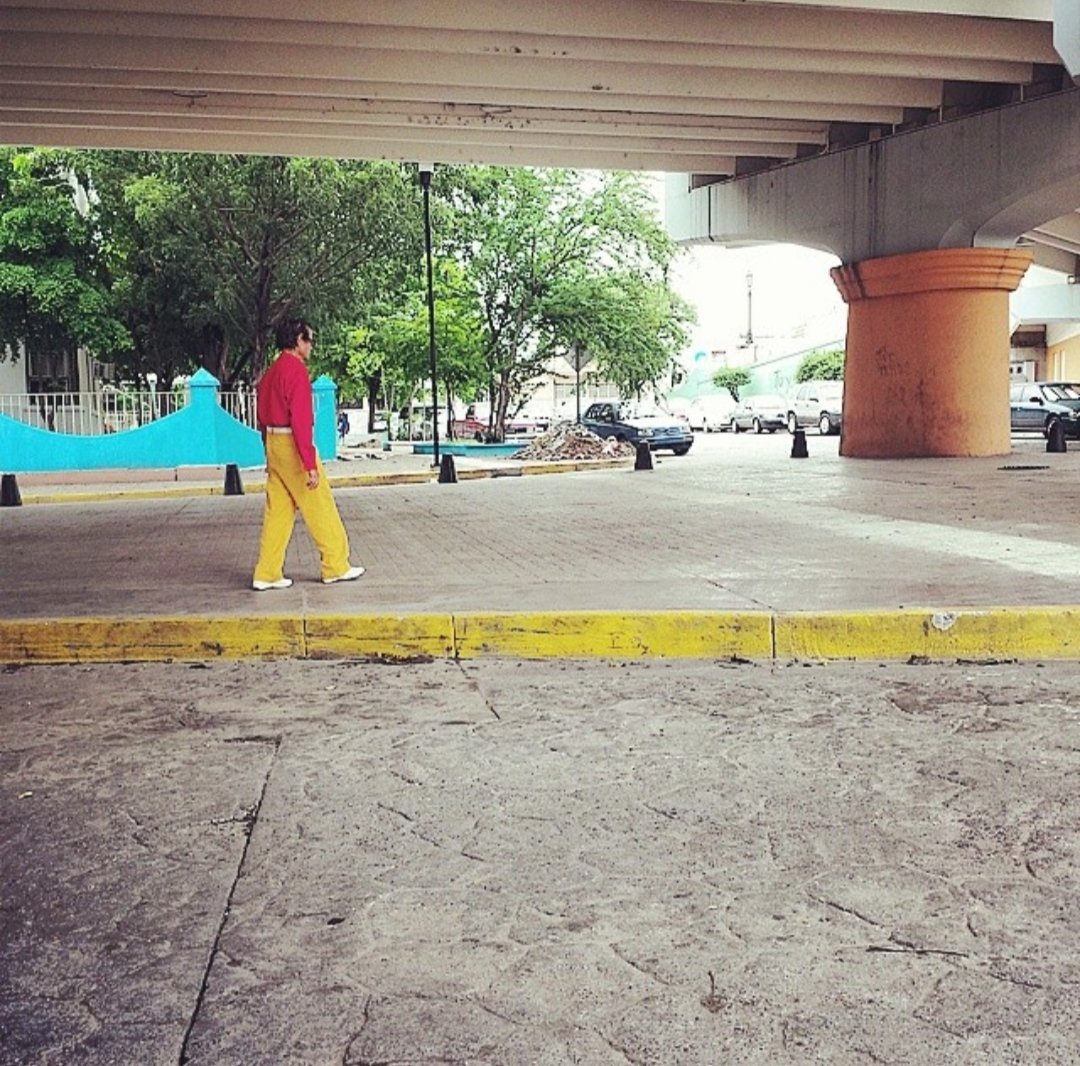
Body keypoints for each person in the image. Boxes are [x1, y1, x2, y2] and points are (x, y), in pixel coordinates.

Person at [251, 317, 364, 591]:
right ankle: (335, 565)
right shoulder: (296, 372)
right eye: (309, 340)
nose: (311, 346)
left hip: (274, 445)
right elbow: (301, 420)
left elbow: (261, 417)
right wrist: (309, 462)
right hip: (292, 445)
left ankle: (267, 572)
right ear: (298, 340)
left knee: (277, 511)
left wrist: (269, 452)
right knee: (319, 504)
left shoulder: (271, 372)